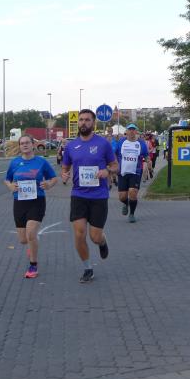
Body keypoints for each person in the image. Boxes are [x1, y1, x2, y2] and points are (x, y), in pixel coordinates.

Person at [61, 109, 118, 283]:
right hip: (78, 194)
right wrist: (64, 174)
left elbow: (115, 166)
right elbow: (65, 167)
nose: (83, 123)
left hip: (98, 196)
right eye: (81, 120)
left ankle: (102, 241)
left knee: (94, 237)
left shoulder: (103, 144)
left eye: (87, 120)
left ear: (93, 123)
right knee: (79, 234)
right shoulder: (71, 146)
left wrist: (107, 171)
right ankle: (87, 268)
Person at [4, 134, 58, 278]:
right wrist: (10, 186)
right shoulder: (15, 163)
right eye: (22, 143)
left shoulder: (41, 162)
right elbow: (7, 179)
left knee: (31, 233)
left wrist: (48, 184)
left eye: (27, 142)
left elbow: (54, 178)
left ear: (33, 144)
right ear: (19, 146)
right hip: (19, 202)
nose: (25, 145)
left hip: (37, 201)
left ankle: (33, 266)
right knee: (23, 239)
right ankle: (31, 245)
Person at [115, 124, 150, 223]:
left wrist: (148, 161)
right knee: (122, 196)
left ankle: (131, 214)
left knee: (133, 192)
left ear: (136, 132)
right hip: (122, 172)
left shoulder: (141, 143)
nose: (131, 131)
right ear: (126, 131)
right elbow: (114, 153)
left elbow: (146, 155)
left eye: (133, 130)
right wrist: (115, 164)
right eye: (129, 129)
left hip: (136, 172)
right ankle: (126, 203)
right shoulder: (121, 142)